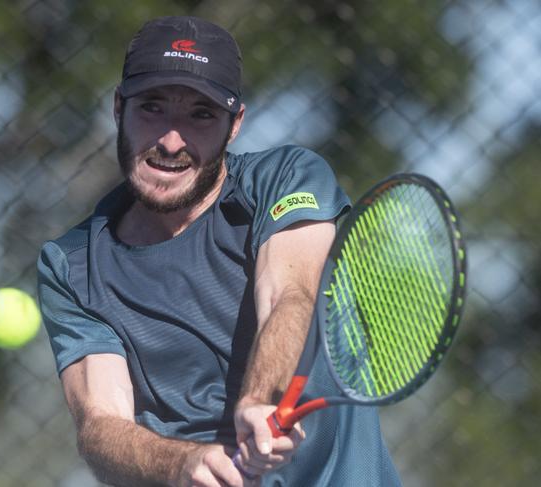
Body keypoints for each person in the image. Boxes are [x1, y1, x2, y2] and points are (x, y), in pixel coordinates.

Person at [38, 15, 402, 487]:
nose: (171, 140)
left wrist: (258, 400)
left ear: (235, 126)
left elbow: (291, 295)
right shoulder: (72, 266)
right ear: (118, 108)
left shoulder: (285, 179)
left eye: (201, 114)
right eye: (152, 107)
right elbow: (101, 426)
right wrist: (184, 463)